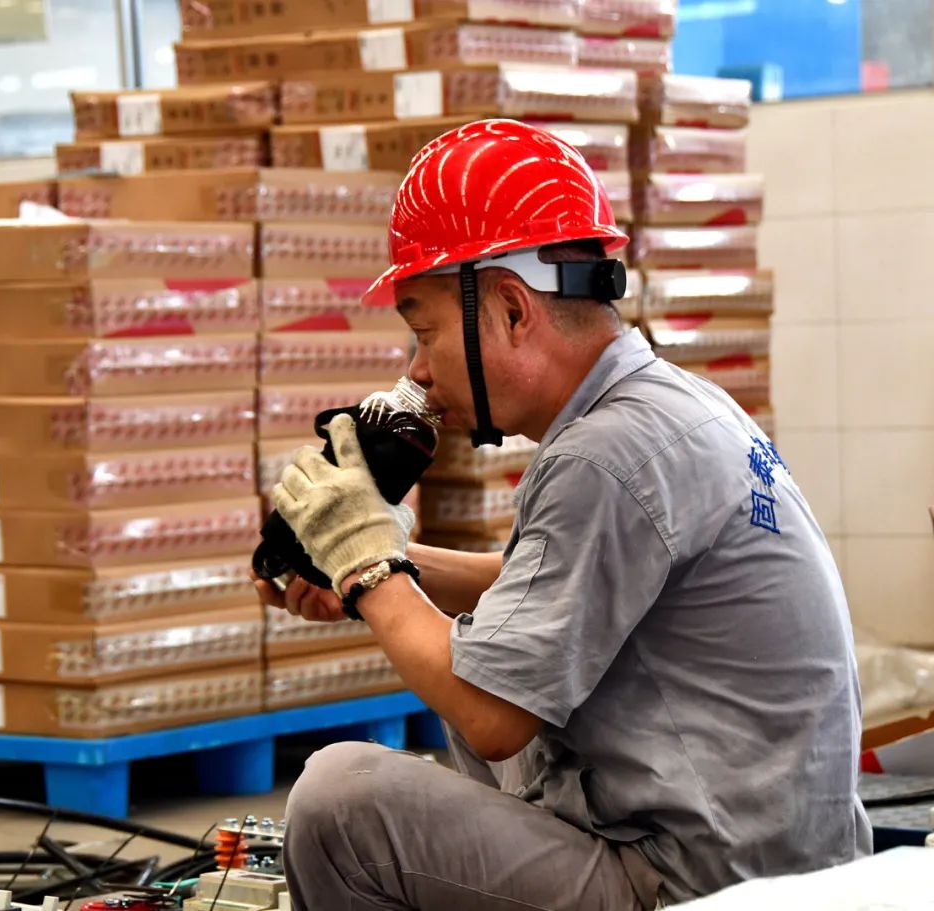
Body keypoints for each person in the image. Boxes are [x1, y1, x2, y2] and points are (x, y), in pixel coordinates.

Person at [254, 119, 872, 911]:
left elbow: (492, 716)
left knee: (343, 802)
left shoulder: (604, 454)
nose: (417, 369)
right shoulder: (667, 406)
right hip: (776, 860)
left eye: (424, 332)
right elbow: (544, 587)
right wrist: (384, 557)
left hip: (702, 885)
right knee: (490, 650)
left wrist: (370, 567)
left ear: (514, 309)